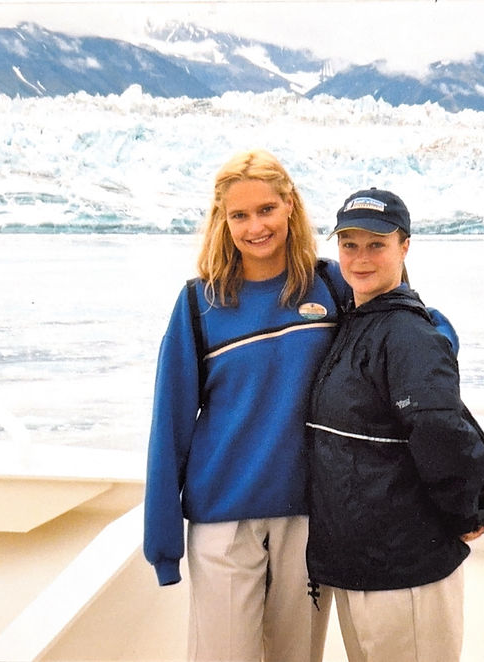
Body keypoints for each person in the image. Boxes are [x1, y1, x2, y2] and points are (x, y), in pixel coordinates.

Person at [143, 149, 347, 662]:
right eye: (240, 215)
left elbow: (410, 324)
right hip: (223, 524)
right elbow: (169, 429)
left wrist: (441, 342)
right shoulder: (199, 302)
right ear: (223, 220)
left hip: (309, 518)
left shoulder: (332, 286)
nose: (255, 226)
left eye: (266, 210)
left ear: (290, 207)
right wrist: (164, 547)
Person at [305, 188, 484, 662]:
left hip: (405, 569)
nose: (361, 257)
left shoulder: (409, 334)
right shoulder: (359, 322)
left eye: (377, 244)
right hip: (363, 566)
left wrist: (462, 512)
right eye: (349, 244)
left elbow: (439, 430)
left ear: (405, 246)